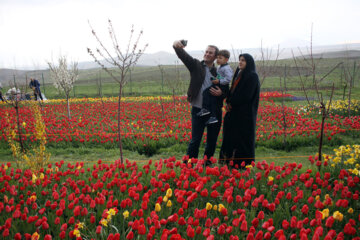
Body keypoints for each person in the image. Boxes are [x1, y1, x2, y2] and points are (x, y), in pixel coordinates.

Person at [173, 40, 228, 162]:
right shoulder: (196, 66)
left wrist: (221, 93)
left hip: (214, 111)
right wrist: (177, 47)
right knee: (195, 140)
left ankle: (207, 165)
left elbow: (226, 89)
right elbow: (184, 56)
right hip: (198, 110)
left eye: (211, 53)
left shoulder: (218, 72)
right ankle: (189, 166)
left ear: (215, 56)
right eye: (206, 51)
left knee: (212, 140)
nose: (207, 54)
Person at [219, 53, 260, 168]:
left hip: (244, 115)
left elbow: (246, 96)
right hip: (234, 114)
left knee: (243, 140)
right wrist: (228, 101)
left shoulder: (252, 76)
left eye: (243, 60)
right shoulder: (239, 74)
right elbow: (233, 91)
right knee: (230, 138)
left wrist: (231, 102)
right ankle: (229, 162)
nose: (240, 62)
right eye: (239, 60)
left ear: (249, 63)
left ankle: (242, 165)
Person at [197, 50, 233, 125]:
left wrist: (219, 81)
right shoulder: (220, 67)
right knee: (210, 97)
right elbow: (219, 76)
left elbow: (228, 79)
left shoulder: (227, 68)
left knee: (208, 95)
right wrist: (214, 79)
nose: (218, 59)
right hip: (218, 84)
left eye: (220, 58)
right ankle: (210, 114)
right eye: (217, 58)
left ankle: (208, 111)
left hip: (222, 86)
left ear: (226, 59)